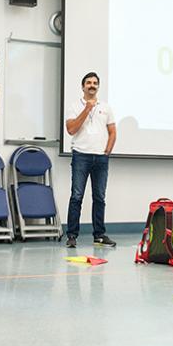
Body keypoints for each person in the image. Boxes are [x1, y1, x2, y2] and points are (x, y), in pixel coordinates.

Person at [65, 72, 117, 248]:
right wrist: (87, 109)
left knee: (99, 197)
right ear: (83, 86)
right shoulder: (74, 106)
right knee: (77, 196)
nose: (92, 85)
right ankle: (72, 235)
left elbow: (112, 131)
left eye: (95, 83)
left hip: (101, 158)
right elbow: (71, 129)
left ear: (98, 86)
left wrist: (108, 150)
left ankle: (99, 235)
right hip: (81, 155)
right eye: (88, 83)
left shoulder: (106, 107)